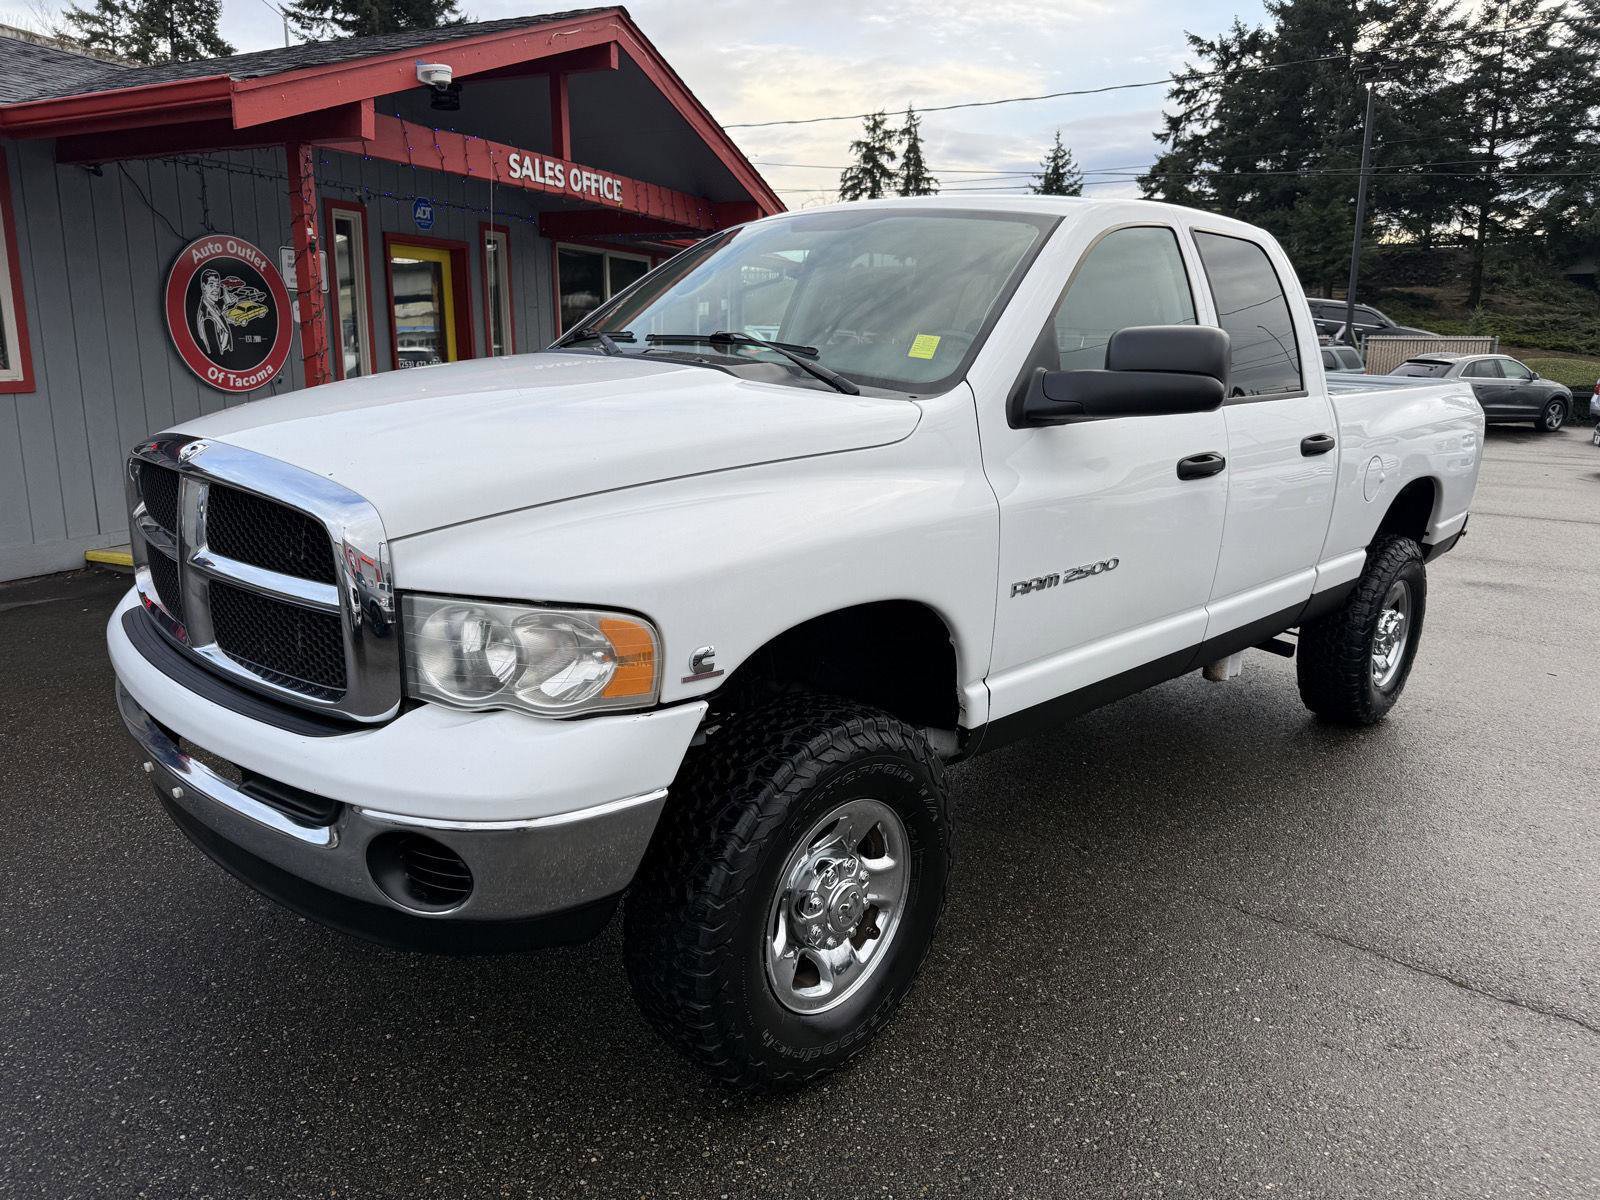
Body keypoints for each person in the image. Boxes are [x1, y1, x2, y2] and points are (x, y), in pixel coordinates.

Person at [194, 269, 233, 358]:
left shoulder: (213, 306)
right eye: (211, 285)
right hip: (222, 361)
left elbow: (223, 303)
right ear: (204, 287)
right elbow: (214, 354)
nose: (216, 289)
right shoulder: (207, 317)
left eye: (217, 286)